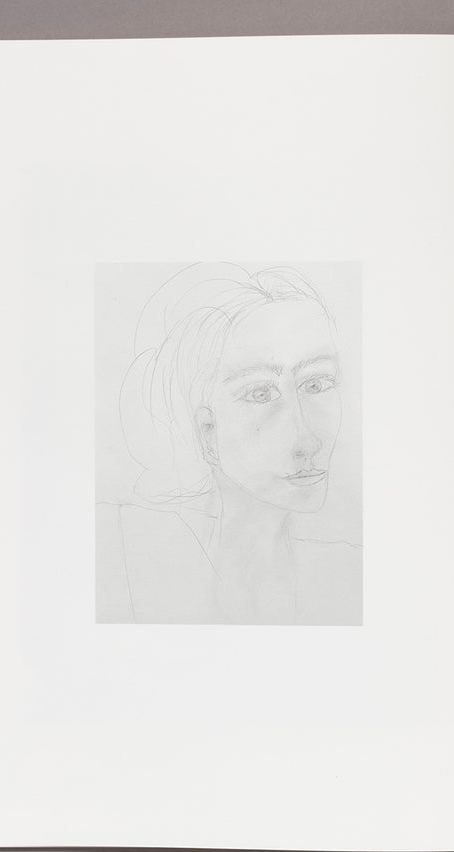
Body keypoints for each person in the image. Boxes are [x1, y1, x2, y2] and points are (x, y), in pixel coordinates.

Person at [97, 263, 361, 625]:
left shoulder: (351, 572)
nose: (308, 441)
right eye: (261, 393)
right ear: (207, 432)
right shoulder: (119, 553)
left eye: (316, 385)